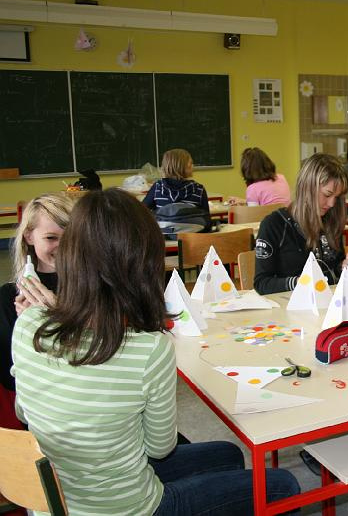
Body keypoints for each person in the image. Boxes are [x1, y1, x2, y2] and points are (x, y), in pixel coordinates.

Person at [11, 189, 299, 515]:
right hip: (131, 508)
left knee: (228, 454)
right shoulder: (148, 350)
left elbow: (24, 410)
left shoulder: (28, 322)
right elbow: (159, 447)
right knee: (283, 486)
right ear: (142, 265)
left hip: (56, 500)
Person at [0, 194, 73, 430]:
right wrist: (29, 329)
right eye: (51, 238)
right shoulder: (8, 298)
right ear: (29, 236)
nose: (63, 247)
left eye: (70, 237)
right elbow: (10, 378)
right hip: (43, 417)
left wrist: (53, 318)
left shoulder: (94, 288)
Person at [254, 153, 348, 294]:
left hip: (328, 301)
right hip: (289, 304)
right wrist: (300, 283)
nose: (331, 204)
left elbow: (334, 269)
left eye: (337, 197)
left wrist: (343, 268)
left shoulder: (331, 221)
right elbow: (262, 284)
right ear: (307, 187)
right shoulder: (274, 225)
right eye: (327, 195)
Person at [143, 148, 210, 213]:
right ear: (184, 167)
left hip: (164, 221)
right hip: (190, 221)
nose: (193, 166)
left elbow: (142, 211)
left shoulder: (158, 187)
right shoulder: (199, 189)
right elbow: (206, 217)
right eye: (191, 163)